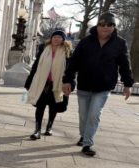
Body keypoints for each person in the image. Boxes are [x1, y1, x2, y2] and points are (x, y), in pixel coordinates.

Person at [62, 12, 134, 156]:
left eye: (110, 25)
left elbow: (125, 65)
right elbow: (74, 62)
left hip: (104, 86)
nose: (106, 27)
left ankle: (88, 143)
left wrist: (128, 84)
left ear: (114, 27)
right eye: (102, 24)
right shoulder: (86, 41)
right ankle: (83, 135)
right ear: (98, 26)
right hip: (84, 84)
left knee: (94, 114)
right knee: (83, 115)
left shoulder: (120, 43)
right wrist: (67, 80)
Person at [25, 30, 73, 140]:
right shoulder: (44, 49)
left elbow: (70, 70)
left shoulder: (67, 51)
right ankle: (37, 130)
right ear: (51, 38)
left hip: (57, 84)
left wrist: (70, 82)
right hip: (42, 83)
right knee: (40, 106)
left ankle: (49, 127)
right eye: (54, 37)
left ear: (63, 39)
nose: (56, 39)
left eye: (59, 37)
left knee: (54, 107)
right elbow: (36, 66)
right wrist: (29, 80)